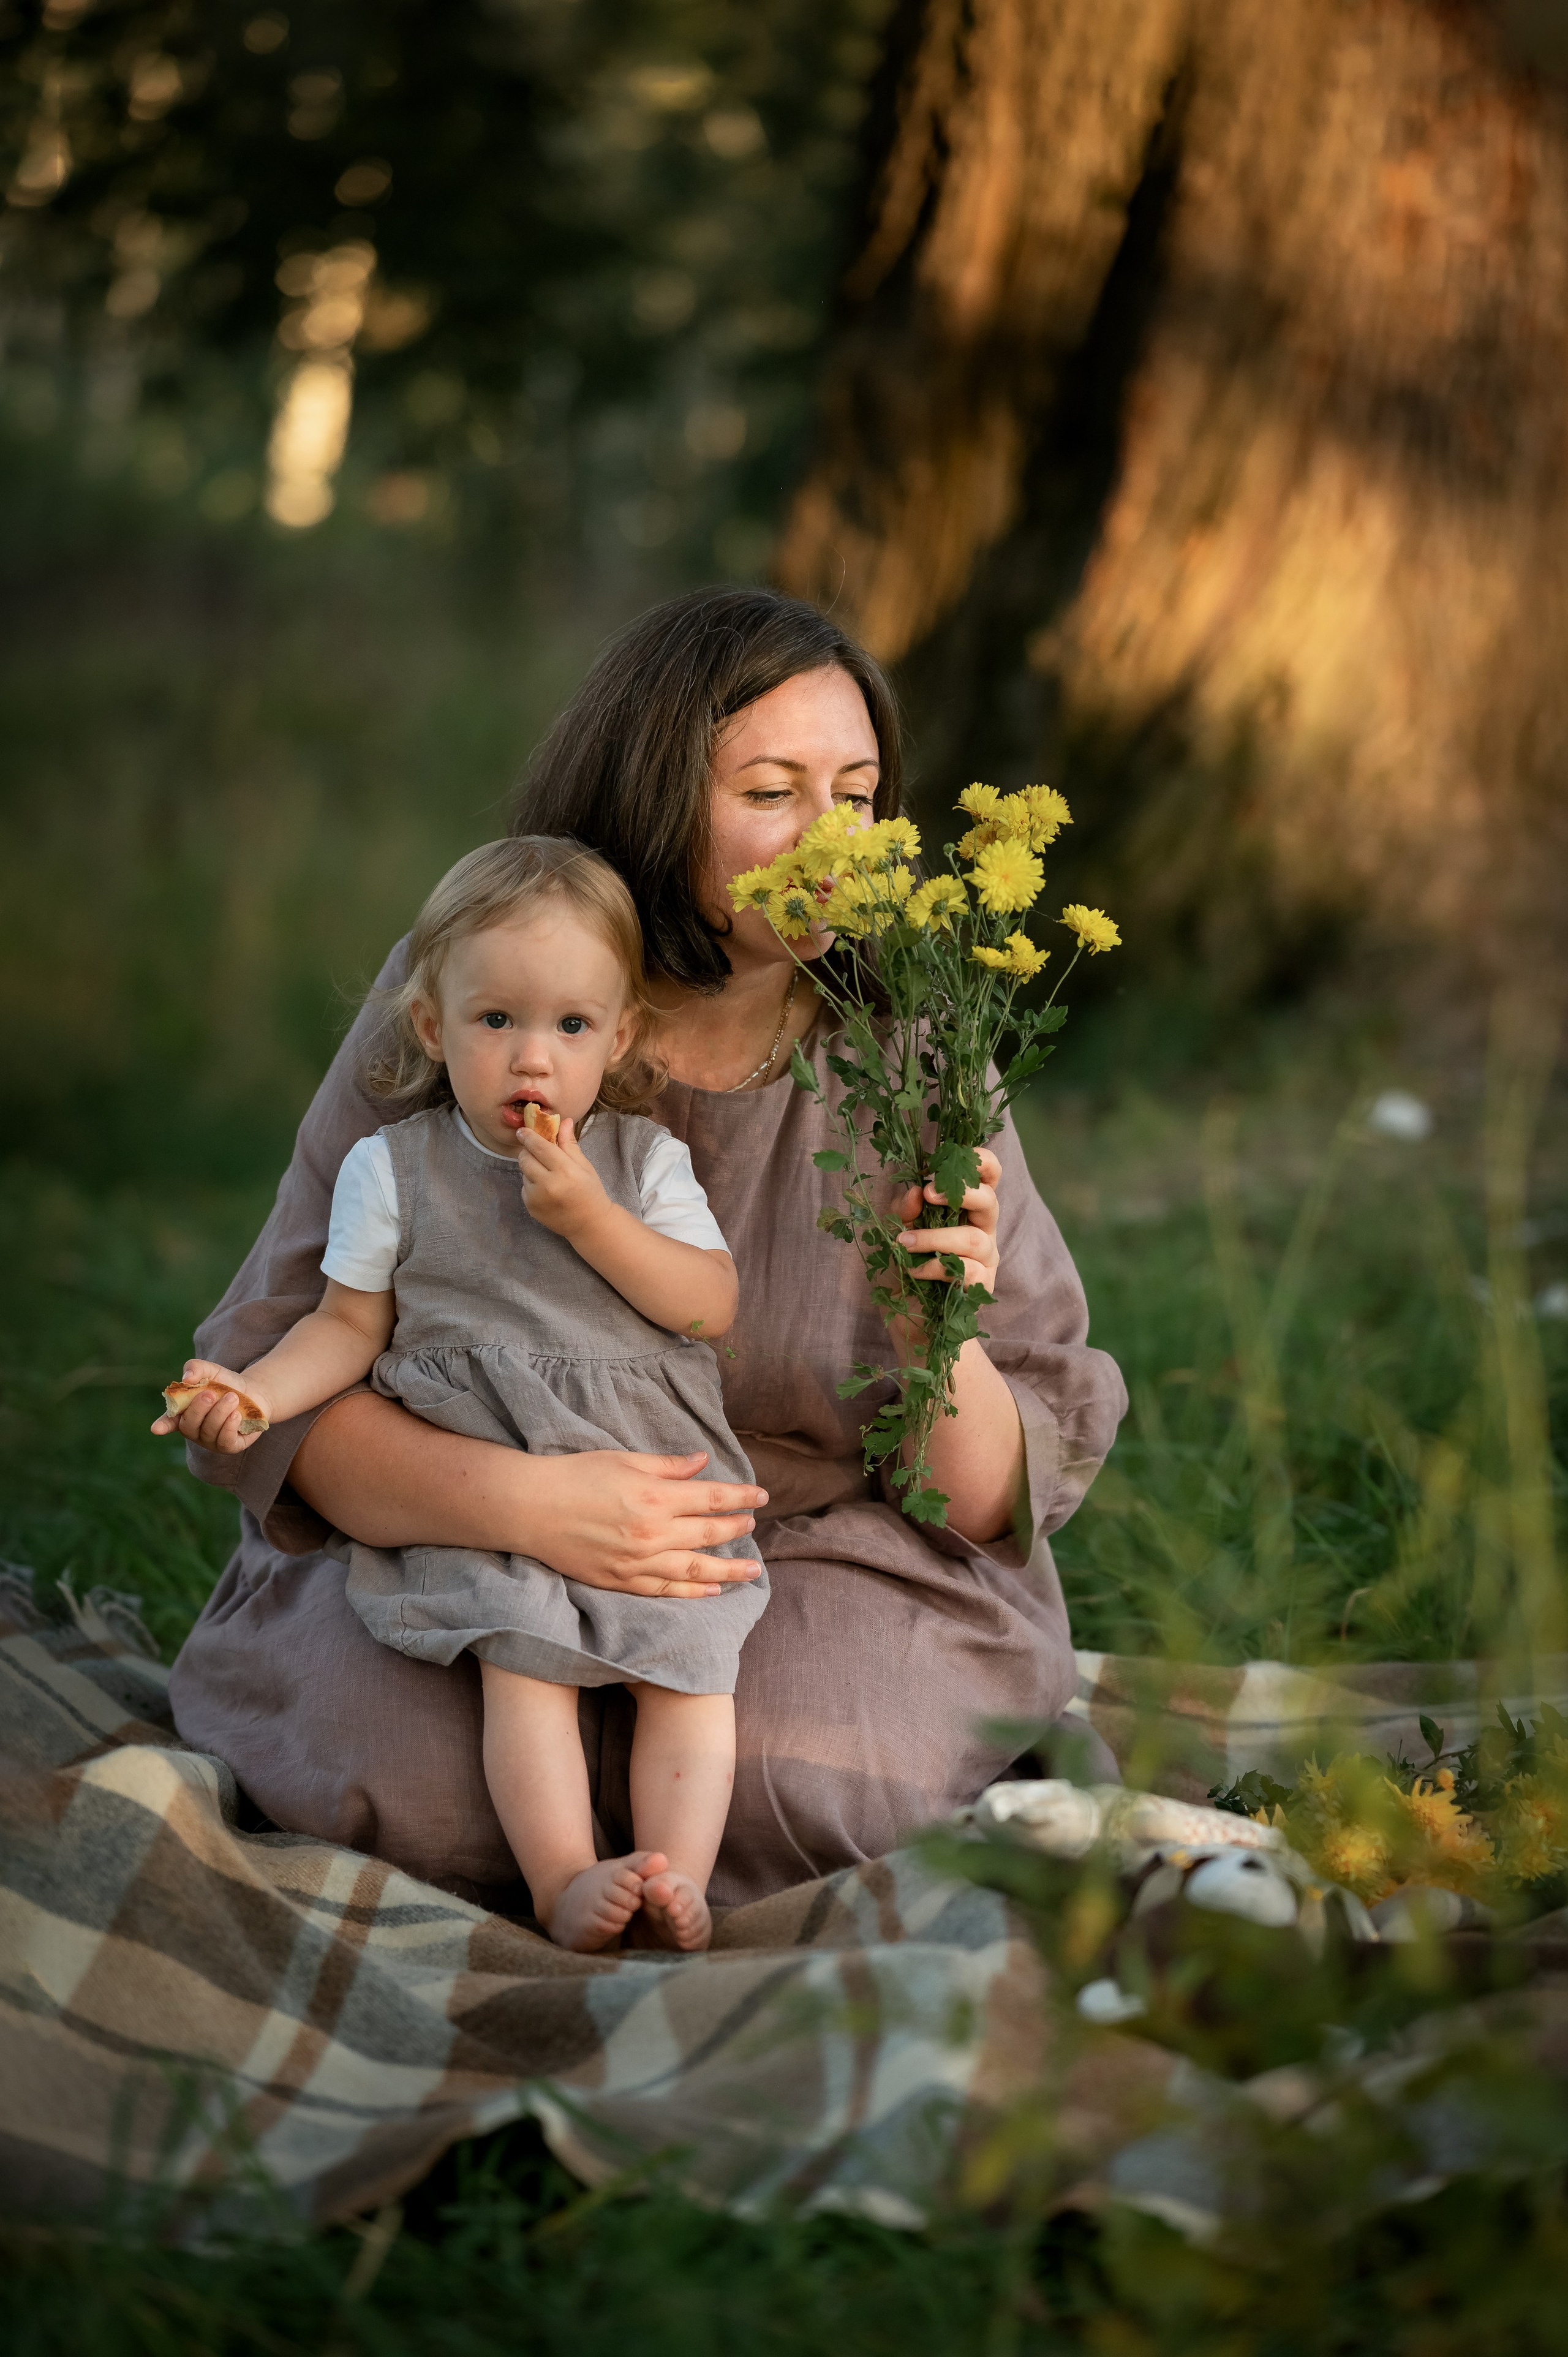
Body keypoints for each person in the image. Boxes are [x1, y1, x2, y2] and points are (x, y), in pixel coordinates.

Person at [164, 586, 1128, 1912]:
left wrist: (931, 1333)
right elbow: (283, 1376)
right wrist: (529, 1505)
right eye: (772, 792)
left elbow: (980, 1497)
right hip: (461, 1521)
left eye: (856, 796)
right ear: (651, 793)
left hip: (796, 1550)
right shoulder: (490, 990)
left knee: (800, 1777)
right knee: (406, 1788)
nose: (827, 843)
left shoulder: (917, 1044)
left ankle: (651, 1854)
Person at [154, 837, 763, 1951]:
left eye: (572, 1028)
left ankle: (678, 1879)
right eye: (497, 1023)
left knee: (692, 1670)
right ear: (435, 1028)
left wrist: (591, 1219)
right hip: (485, 1467)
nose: (534, 1059)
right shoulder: (394, 1170)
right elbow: (344, 1328)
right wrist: (251, 1392)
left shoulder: (641, 1165)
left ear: (620, 1037)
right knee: (519, 1666)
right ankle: (566, 1881)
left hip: (646, 1468)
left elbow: (706, 1303)